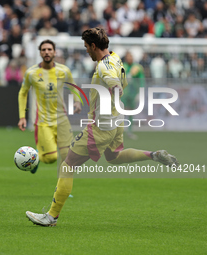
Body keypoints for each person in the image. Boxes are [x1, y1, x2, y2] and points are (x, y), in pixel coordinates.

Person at [26, 27, 178, 226]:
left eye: (86, 47)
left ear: (93, 46)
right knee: (114, 157)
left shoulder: (103, 67)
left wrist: (115, 90)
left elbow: (113, 82)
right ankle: (153, 155)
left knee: (67, 165)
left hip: (101, 126)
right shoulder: (115, 57)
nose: (86, 51)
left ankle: (51, 216)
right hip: (117, 120)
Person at [18, 39, 81, 174]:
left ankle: (61, 193)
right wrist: (22, 117)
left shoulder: (63, 70)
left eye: (49, 49)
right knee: (52, 158)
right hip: (43, 122)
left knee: (69, 160)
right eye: (44, 50)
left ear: (54, 52)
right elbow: (23, 93)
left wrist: (77, 101)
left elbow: (73, 86)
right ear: (40, 53)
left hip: (62, 119)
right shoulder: (32, 73)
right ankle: (36, 157)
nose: (46, 52)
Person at [122, 51, 145, 140]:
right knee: (120, 112)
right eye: (128, 57)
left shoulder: (137, 68)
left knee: (131, 112)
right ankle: (118, 131)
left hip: (133, 93)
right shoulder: (122, 66)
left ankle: (130, 131)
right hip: (123, 93)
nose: (129, 58)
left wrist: (140, 92)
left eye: (131, 56)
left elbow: (141, 80)